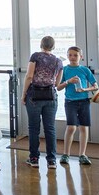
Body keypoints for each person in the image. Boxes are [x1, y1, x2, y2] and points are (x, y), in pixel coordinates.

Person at [21, 35, 64, 169]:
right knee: (50, 128)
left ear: (41, 44)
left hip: (34, 95)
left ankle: (34, 158)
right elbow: (57, 83)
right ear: (53, 46)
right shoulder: (58, 61)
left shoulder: (36, 56)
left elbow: (29, 76)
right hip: (50, 96)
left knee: (34, 128)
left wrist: (23, 95)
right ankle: (51, 160)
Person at [60, 46, 98, 166]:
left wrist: (84, 89)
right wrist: (68, 82)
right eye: (70, 55)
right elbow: (58, 87)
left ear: (81, 57)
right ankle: (66, 154)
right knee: (71, 127)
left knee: (83, 127)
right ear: (67, 56)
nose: (72, 57)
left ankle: (82, 155)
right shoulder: (64, 70)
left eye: (75, 55)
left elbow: (95, 86)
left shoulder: (85, 70)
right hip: (70, 102)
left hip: (84, 101)